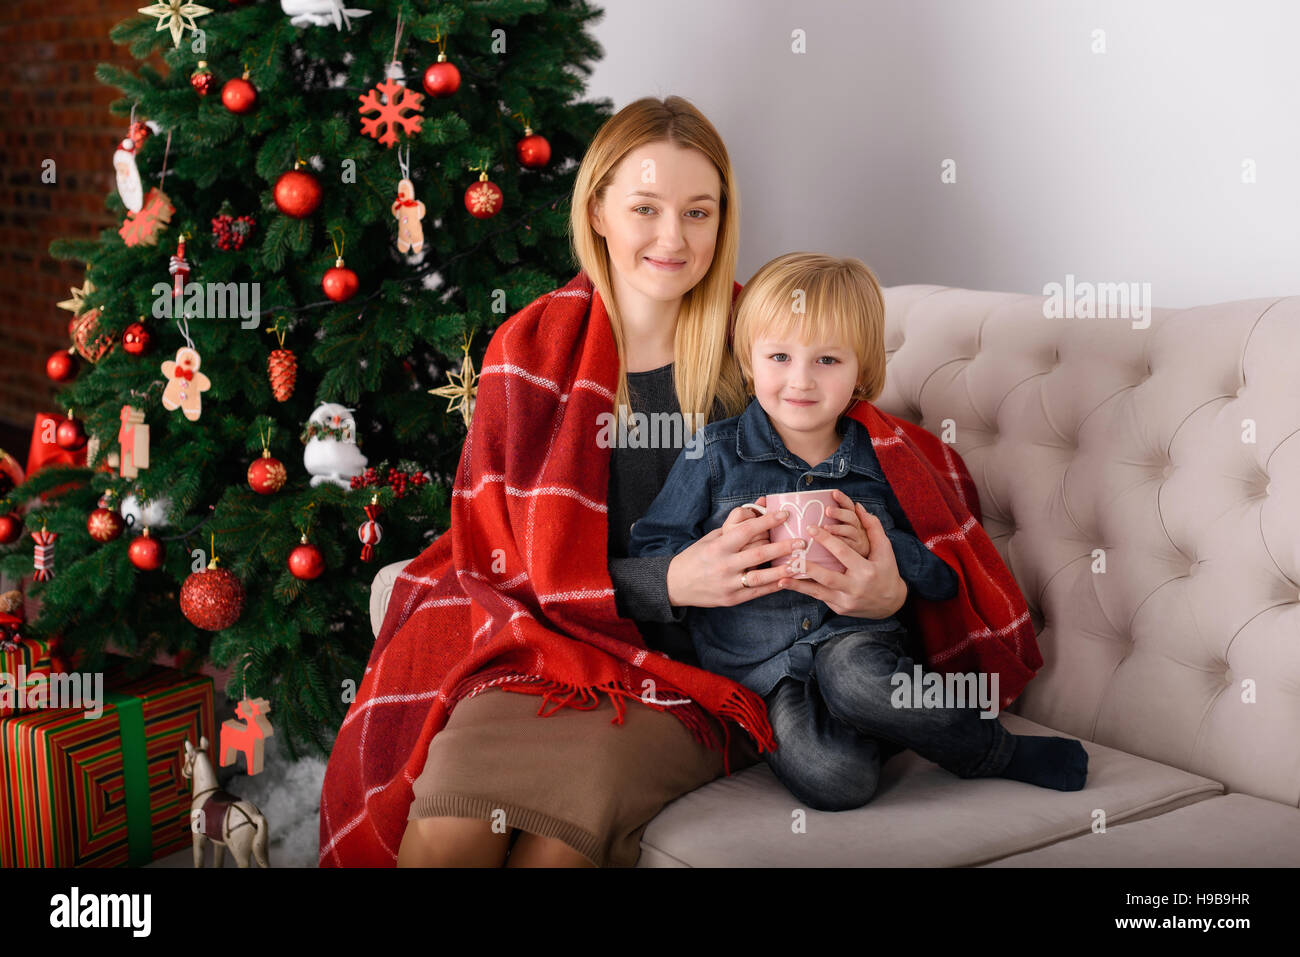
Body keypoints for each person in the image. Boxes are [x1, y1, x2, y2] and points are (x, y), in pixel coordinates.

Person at [320, 97, 916, 869]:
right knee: (452, 824)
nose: (674, 237)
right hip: (543, 645)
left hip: (694, 672)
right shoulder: (529, 350)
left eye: (698, 212)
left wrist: (886, 587)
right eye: (646, 207)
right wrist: (670, 577)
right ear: (599, 208)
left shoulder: (762, 350)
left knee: (559, 843)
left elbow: (886, 469)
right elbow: (503, 560)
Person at [628, 252, 1089, 811]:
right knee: (836, 782)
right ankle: (880, 727)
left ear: (861, 371)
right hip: (764, 673)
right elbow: (653, 549)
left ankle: (993, 752)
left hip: (858, 642)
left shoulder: (886, 459)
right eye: (779, 356)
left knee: (852, 677)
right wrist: (711, 553)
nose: (800, 380)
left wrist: (882, 547)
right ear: (749, 362)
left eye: (826, 359)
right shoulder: (712, 452)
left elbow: (944, 579)